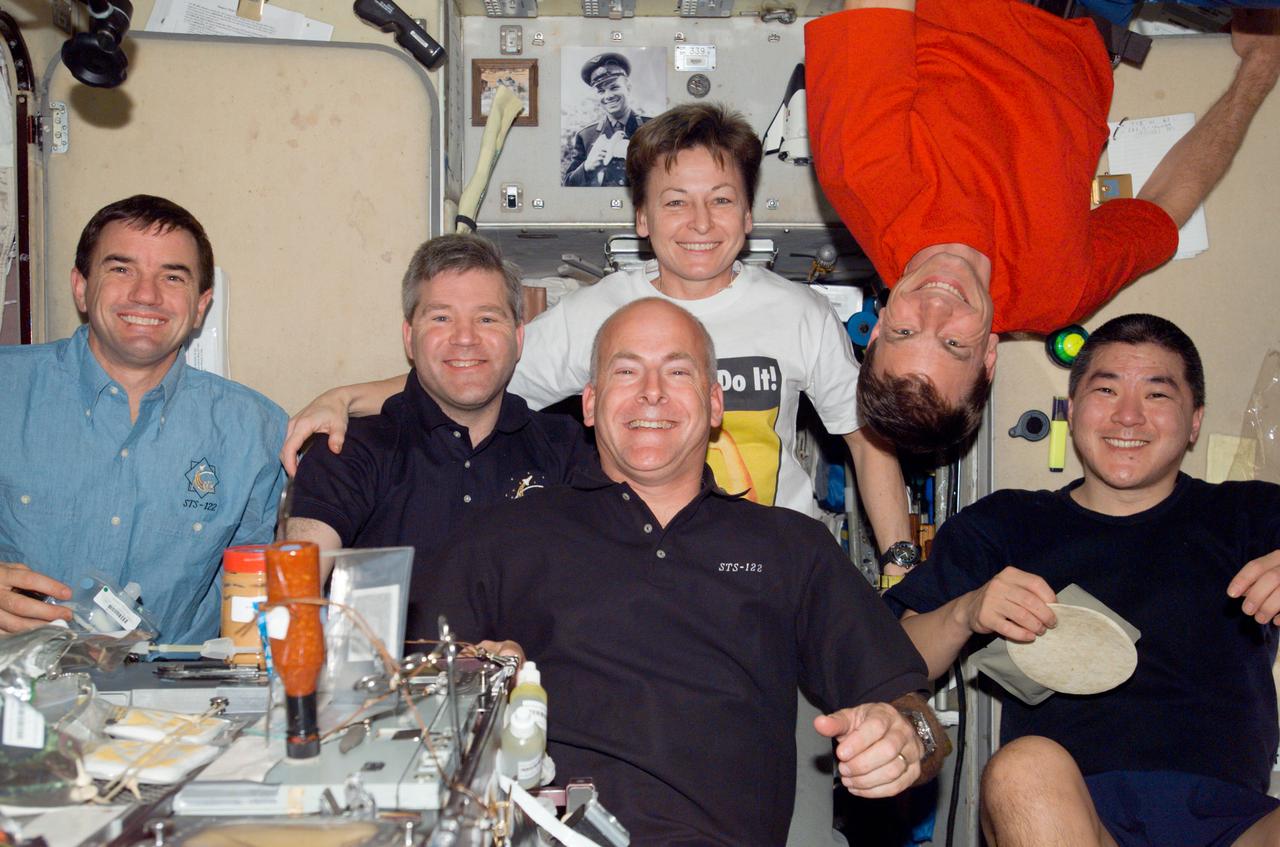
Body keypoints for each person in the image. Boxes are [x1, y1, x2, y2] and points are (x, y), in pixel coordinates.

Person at [425, 298, 948, 846]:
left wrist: (905, 738)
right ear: (590, 402)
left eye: (677, 371)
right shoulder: (503, 535)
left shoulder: (792, 547)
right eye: (626, 371)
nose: (651, 390)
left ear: (716, 404)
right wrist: (469, 677)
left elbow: (916, 715)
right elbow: (402, 698)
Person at [806, 1, 1280, 455]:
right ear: (988, 358)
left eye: (906, 332)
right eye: (953, 343)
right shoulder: (1056, 293)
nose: (935, 307)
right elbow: (1164, 207)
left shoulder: (860, 172)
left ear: (879, 326)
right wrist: (1261, 65)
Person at [884, 313, 1280, 846]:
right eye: (1107, 389)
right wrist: (966, 610)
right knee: (1022, 768)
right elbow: (889, 664)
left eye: (1158, 395)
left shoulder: (1251, 513)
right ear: (1073, 412)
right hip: (1070, 814)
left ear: (1194, 422)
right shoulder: (1006, 524)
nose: (1129, 416)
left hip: (1238, 824)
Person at [0, 195, 286, 643]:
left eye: (172, 276)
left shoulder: (256, 431)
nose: (146, 294)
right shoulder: (7, 389)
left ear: (200, 306)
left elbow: (254, 602)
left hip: (175, 704)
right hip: (15, 691)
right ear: (80, 286)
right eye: (121, 269)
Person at [285, 234, 594, 641]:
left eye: (487, 318)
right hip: (385, 697)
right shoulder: (350, 449)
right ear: (409, 337)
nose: (465, 337)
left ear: (518, 339)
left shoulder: (571, 450)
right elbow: (295, 598)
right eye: (441, 318)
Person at [563, 52, 651, 187]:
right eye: (600, 91)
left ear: (628, 87)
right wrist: (586, 167)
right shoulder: (586, 135)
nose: (608, 96)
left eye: (614, 87)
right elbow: (568, 184)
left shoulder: (654, 127)